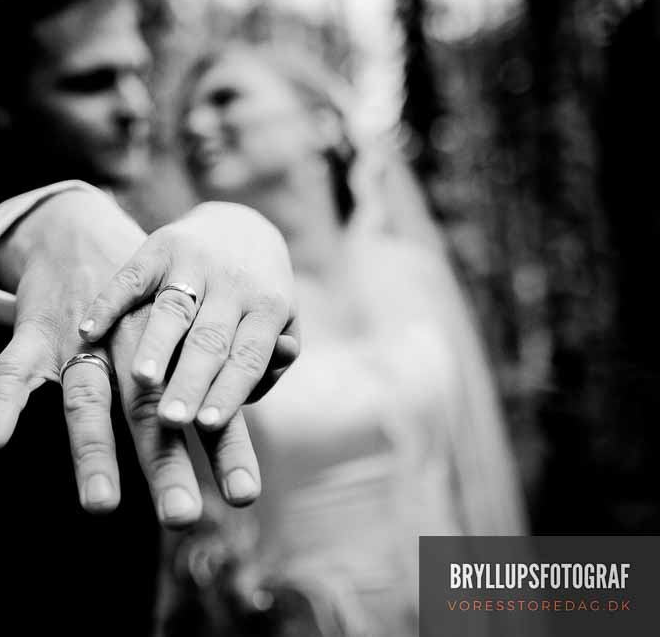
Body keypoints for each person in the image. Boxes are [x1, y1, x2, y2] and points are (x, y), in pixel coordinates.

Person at [0, 0, 298, 633]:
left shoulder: (142, 244)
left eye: (137, 74)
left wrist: (246, 230)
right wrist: (43, 213)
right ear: (0, 100)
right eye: (92, 82)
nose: (134, 104)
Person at [158, 43, 527, 636]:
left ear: (323, 125)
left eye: (226, 98)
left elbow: (472, 463)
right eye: (185, 117)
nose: (195, 126)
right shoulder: (211, 307)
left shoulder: (414, 274)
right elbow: (195, 514)